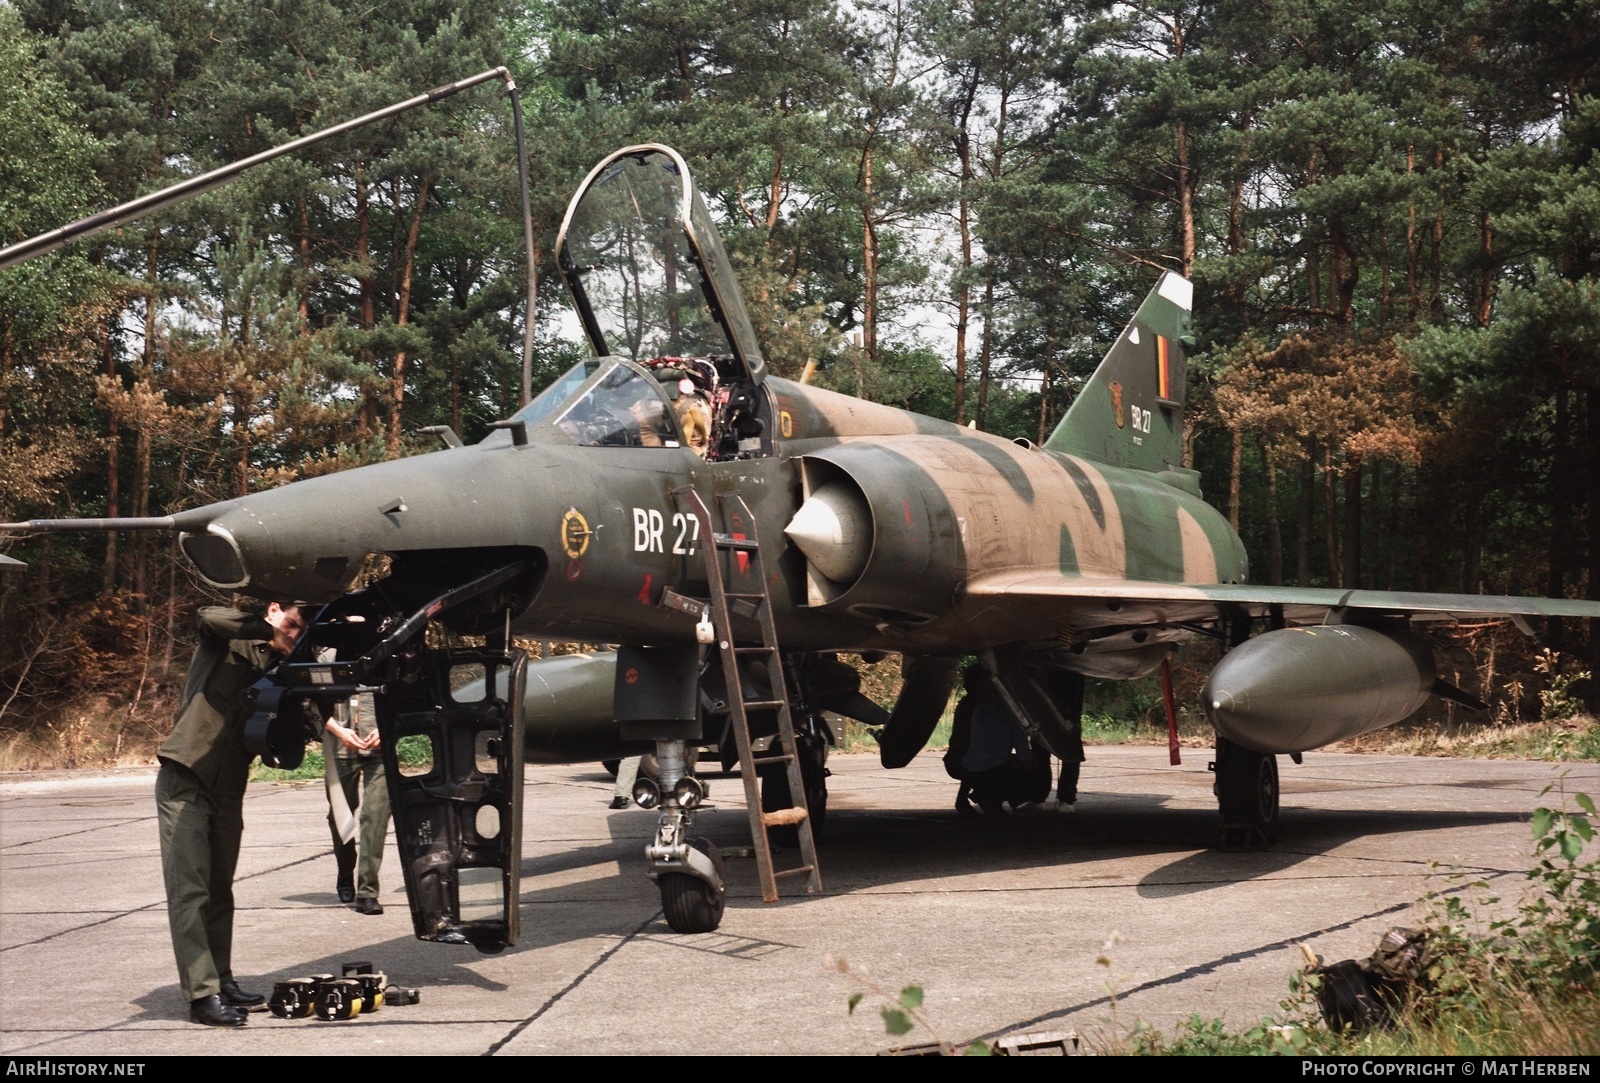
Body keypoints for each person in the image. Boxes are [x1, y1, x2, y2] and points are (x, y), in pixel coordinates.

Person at [156, 602, 305, 1027]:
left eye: (300, 630)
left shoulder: (281, 668)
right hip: (185, 778)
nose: (292, 635)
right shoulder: (230, 638)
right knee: (190, 891)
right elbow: (206, 616)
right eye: (290, 623)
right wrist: (268, 630)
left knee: (220, 891)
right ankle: (201, 995)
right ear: (274, 611)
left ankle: (221, 980)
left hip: (228, 788)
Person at [324, 690, 390, 915]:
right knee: (340, 819)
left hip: (381, 753)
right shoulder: (327, 656)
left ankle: (367, 892)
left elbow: (405, 699)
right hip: (339, 751)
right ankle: (345, 873)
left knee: (375, 817)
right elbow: (309, 704)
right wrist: (338, 730)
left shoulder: (386, 660)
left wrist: (388, 728)